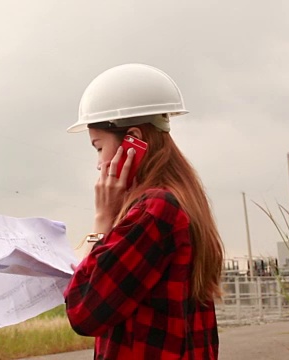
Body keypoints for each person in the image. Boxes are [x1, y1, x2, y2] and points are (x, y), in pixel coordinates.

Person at [63, 63, 224, 359]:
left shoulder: (154, 211)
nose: (99, 163)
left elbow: (83, 310)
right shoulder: (182, 199)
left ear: (133, 141)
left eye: (99, 147)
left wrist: (102, 221)